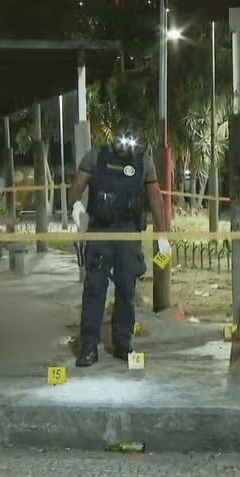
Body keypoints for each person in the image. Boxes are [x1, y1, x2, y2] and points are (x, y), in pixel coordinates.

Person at [69, 118, 170, 367]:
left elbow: (156, 199)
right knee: (94, 291)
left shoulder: (144, 162)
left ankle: (123, 345)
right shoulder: (96, 157)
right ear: (115, 139)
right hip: (100, 232)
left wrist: (163, 235)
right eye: (125, 142)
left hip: (128, 234)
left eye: (133, 142)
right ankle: (89, 347)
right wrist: (76, 207)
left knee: (127, 291)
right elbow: (77, 186)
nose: (128, 148)